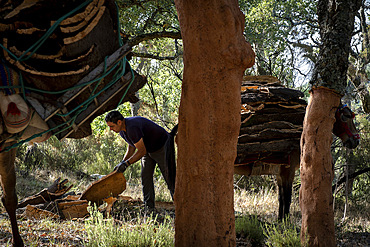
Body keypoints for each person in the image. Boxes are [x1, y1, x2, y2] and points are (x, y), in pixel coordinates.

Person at [105, 110, 177, 209]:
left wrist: (126, 164)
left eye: (112, 126)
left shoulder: (132, 127)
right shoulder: (122, 131)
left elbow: (141, 151)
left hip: (162, 146)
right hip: (148, 149)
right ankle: (149, 208)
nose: (110, 129)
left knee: (170, 177)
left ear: (119, 122)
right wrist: (122, 162)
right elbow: (132, 147)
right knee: (145, 177)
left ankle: (180, 205)